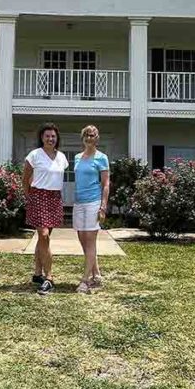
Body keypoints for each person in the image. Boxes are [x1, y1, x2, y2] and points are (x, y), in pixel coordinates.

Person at [23, 122, 67, 295]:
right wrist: (29, 197)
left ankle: (37, 274)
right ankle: (49, 278)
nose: (51, 139)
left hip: (54, 198)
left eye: (53, 136)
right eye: (47, 136)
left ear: (57, 139)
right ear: (42, 137)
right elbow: (25, 179)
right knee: (44, 235)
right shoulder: (34, 155)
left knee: (43, 239)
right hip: (38, 196)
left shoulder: (62, 157)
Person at [73, 125, 109, 294]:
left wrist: (103, 206)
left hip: (93, 202)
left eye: (92, 135)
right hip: (78, 203)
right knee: (82, 239)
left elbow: (106, 184)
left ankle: (85, 280)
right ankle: (96, 273)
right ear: (83, 137)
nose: (89, 138)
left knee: (90, 240)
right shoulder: (77, 157)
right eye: (87, 135)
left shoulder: (102, 158)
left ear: (97, 138)